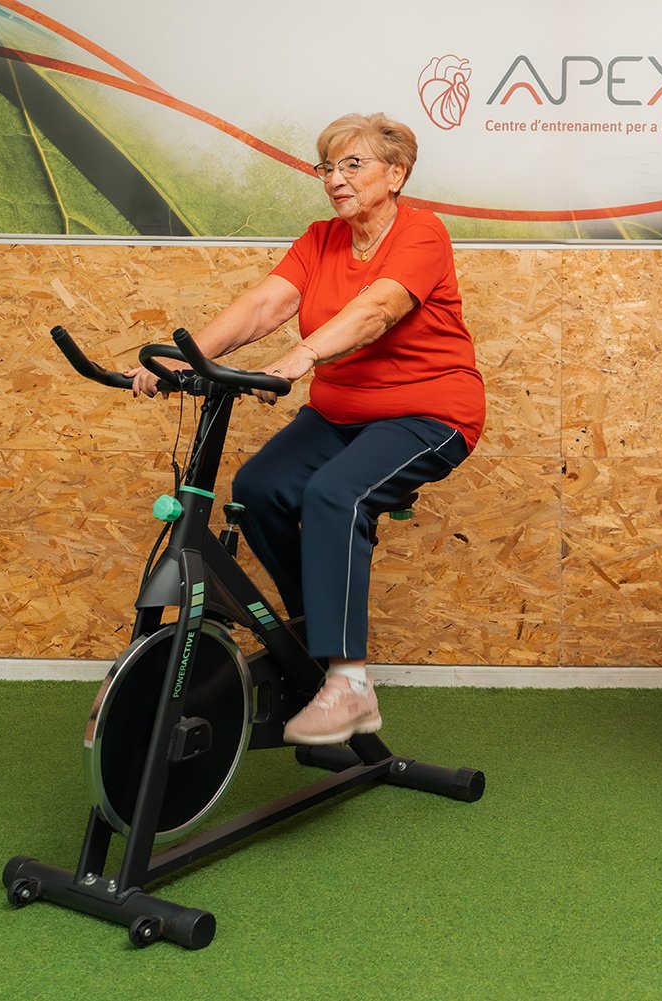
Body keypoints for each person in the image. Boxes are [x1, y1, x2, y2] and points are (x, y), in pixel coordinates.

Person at [127, 112, 485, 745]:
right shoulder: (320, 239)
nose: (336, 180)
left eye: (353, 165)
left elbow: (377, 310)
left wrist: (303, 356)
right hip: (341, 411)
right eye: (328, 167)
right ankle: (313, 642)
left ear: (396, 174)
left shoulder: (422, 233)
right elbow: (265, 303)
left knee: (334, 495)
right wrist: (187, 357)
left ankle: (348, 684)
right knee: (259, 488)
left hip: (428, 414)